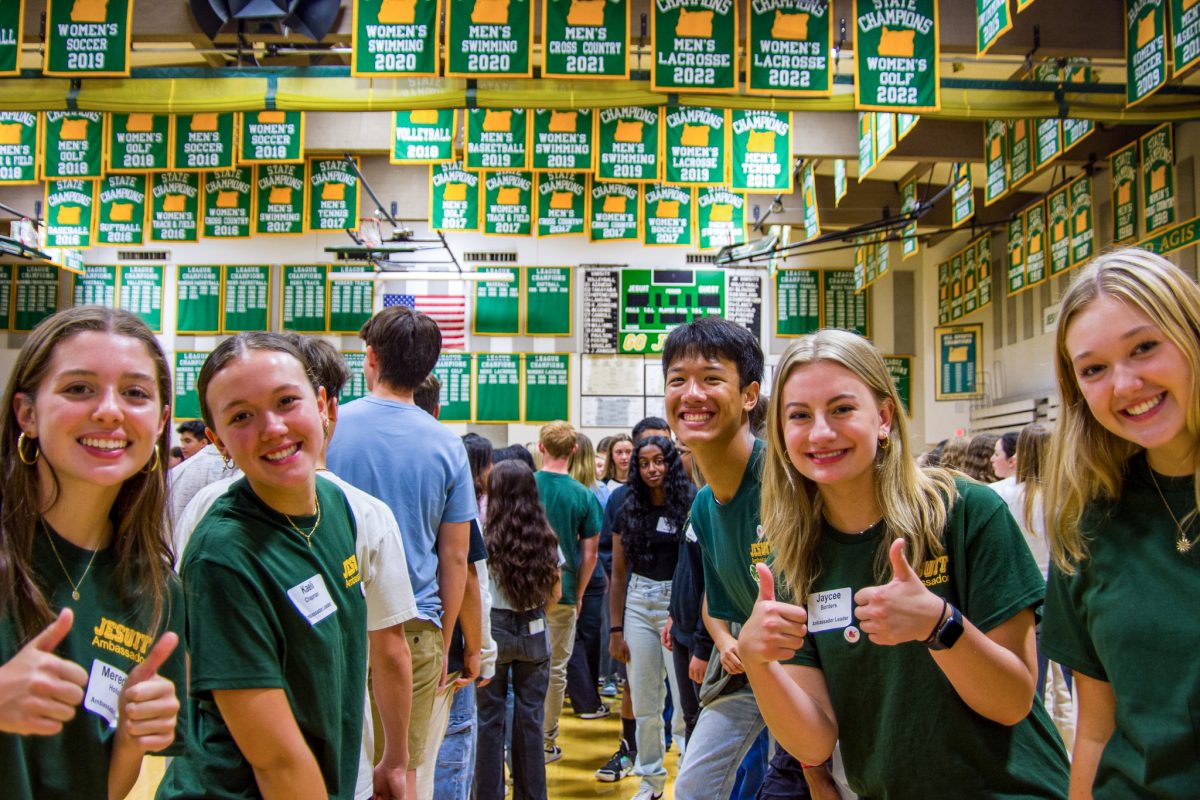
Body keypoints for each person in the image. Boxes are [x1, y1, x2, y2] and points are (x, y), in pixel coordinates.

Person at [738, 328, 1071, 798]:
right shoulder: (793, 557)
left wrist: (939, 624)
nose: (820, 432)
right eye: (799, 416)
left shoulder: (966, 512)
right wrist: (757, 662)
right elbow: (815, 740)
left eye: (842, 409)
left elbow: (1014, 700)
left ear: (884, 417)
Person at [168, 334, 417, 800]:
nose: (273, 428)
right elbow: (278, 762)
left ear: (322, 404)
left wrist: (392, 761)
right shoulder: (222, 554)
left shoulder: (337, 508)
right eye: (241, 416)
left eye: (286, 401)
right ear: (217, 439)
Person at [0, 307, 184, 800]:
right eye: (79, 388)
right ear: (27, 413)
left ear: (161, 420)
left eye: (136, 393)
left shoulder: (155, 590)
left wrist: (131, 738)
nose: (109, 411)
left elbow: (105, 786)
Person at [1042, 248, 1200, 795]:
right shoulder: (1088, 523)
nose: (1126, 384)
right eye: (1094, 369)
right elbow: (1095, 730)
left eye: (1145, 348)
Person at [327, 305, 476, 799]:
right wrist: (448, 632)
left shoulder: (328, 427)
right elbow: (456, 557)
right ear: (428, 370)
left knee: (332, 765)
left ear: (369, 357)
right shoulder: (447, 445)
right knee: (402, 773)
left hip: (333, 617)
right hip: (415, 624)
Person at [660, 316, 776, 799]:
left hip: (823, 671)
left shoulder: (784, 480)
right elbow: (718, 599)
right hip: (748, 673)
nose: (692, 394)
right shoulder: (705, 507)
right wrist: (724, 640)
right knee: (692, 788)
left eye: (711, 378)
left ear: (749, 395)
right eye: (677, 380)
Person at [608, 435, 694, 800]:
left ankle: (688, 781)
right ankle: (650, 781)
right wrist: (615, 629)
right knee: (644, 701)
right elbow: (618, 573)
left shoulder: (689, 500)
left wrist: (681, 612)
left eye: (658, 461)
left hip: (677, 604)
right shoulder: (628, 506)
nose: (651, 469)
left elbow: (696, 567)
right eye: (644, 464)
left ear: (670, 462)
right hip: (639, 604)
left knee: (683, 702)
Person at [474, 460, 563, 800]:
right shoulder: (545, 537)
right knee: (530, 722)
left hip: (493, 627)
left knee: (489, 721)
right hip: (534, 628)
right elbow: (555, 591)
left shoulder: (483, 536)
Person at [534, 421, 602, 763]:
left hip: (519, 596)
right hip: (563, 593)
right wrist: (578, 595)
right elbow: (590, 554)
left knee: (519, 668)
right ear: (574, 450)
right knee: (556, 668)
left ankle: (517, 741)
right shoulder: (583, 495)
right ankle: (546, 741)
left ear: (540, 447)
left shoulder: (525, 486)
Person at [564, 432, 611, 720]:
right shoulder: (600, 492)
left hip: (575, 569)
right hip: (595, 572)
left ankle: (584, 697)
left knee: (575, 637)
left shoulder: (569, 490)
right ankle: (588, 695)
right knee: (589, 637)